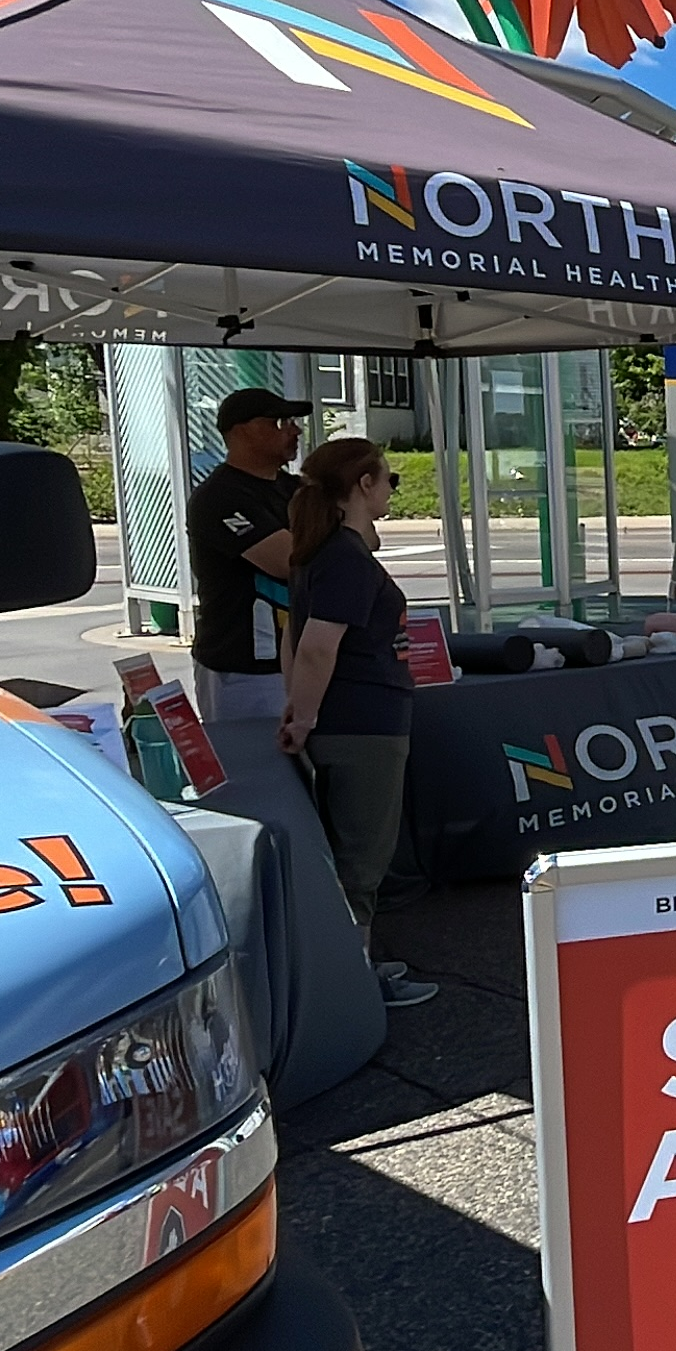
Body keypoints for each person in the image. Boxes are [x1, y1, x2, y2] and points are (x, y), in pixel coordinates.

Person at [277, 438, 437, 1009]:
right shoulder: (344, 556)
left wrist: (297, 710)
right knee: (362, 858)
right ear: (363, 485)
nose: (393, 490)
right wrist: (305, 714)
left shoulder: (317, 552)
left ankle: (352, 970)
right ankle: (356, 985)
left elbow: (294, 640)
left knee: (349, 852)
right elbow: (318, 646)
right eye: (389, 480)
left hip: (346, 720)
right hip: (364, 723)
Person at [184, 386, 309, 725]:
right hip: (245, 668)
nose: (295, 430)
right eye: (280, 422)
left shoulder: (294, 489)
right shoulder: (219, 497)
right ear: (242, 430)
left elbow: (361, 540)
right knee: (254, 770)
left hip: (298, 658)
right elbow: (287, 561)